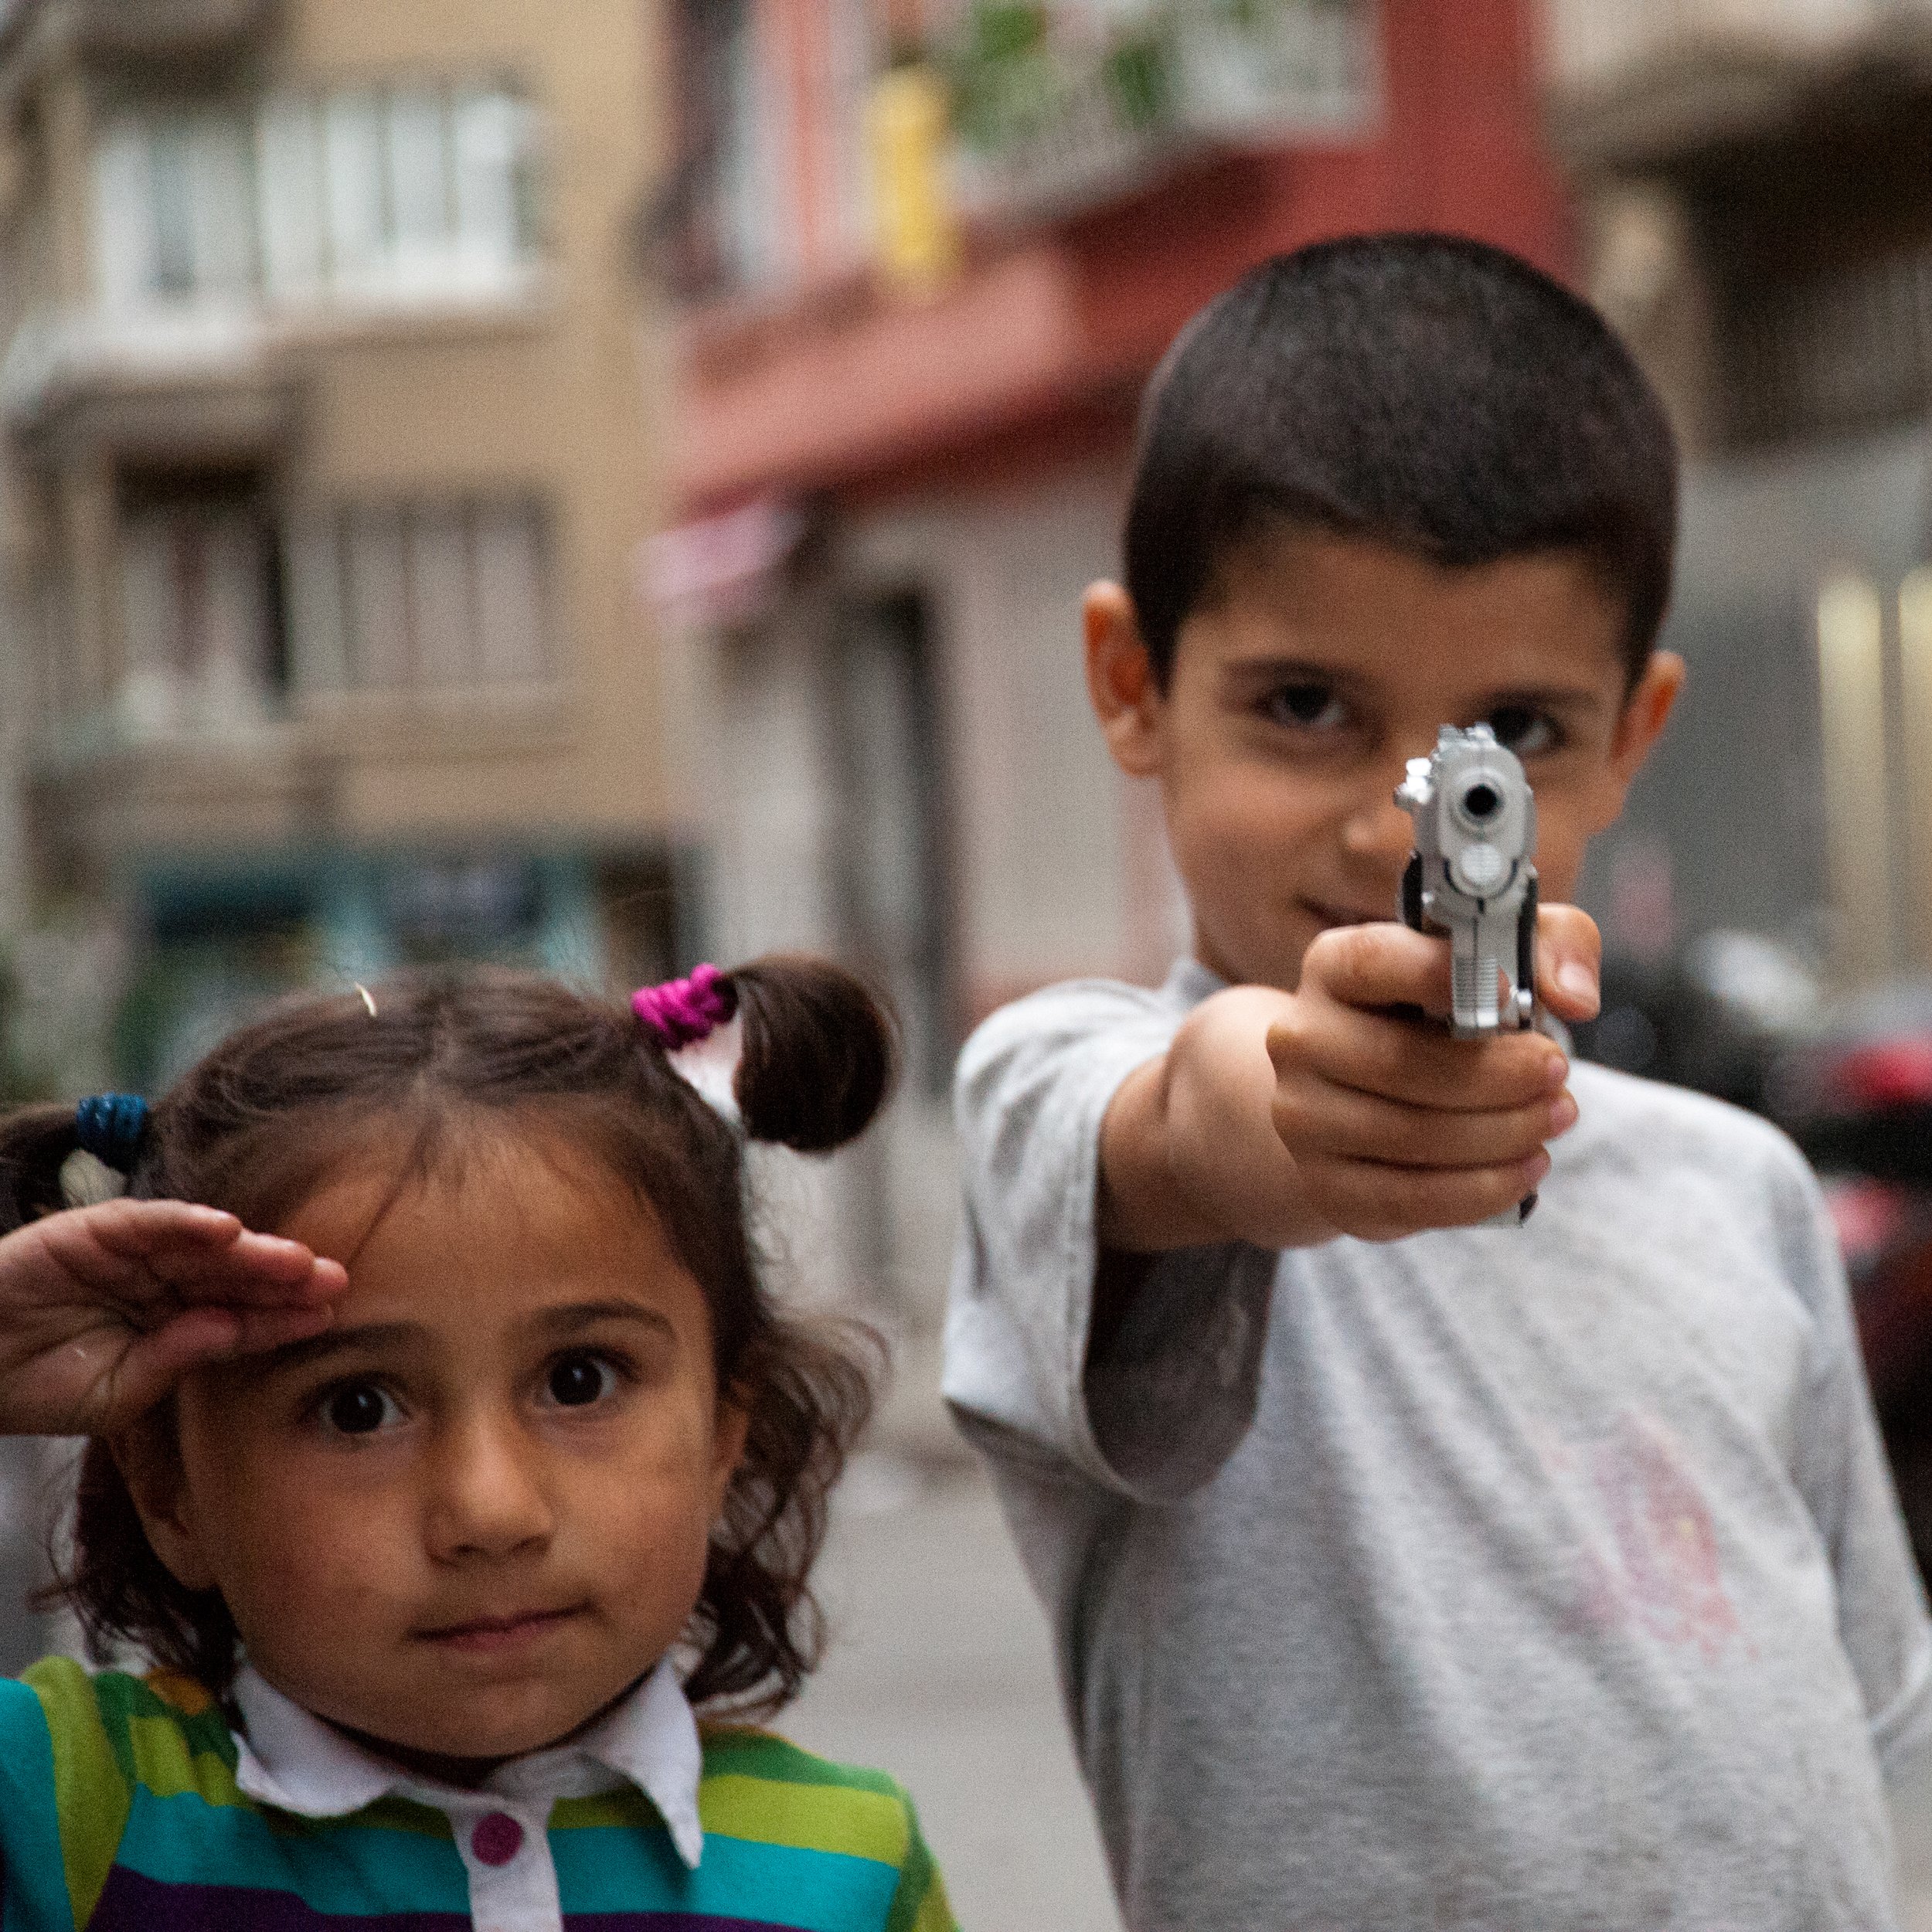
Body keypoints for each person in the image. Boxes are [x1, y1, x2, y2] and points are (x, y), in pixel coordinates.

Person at [944, 233, 1932, 1931]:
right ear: (1131, 686)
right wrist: (1298, 1106)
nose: (1399, 820)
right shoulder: (1065, 1089)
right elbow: (1194, 1119)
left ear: (1633, 732)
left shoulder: (1740, 1188)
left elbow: (1861, 1720)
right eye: (1305, 704)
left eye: (1511, 738)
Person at [0, 958, 955, 1932]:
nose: (490, 1511)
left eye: (579, 1380)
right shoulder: (64, 1807)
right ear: (169, 1487)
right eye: (359, 1407)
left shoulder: (850, 1866)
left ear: (723, 1435)